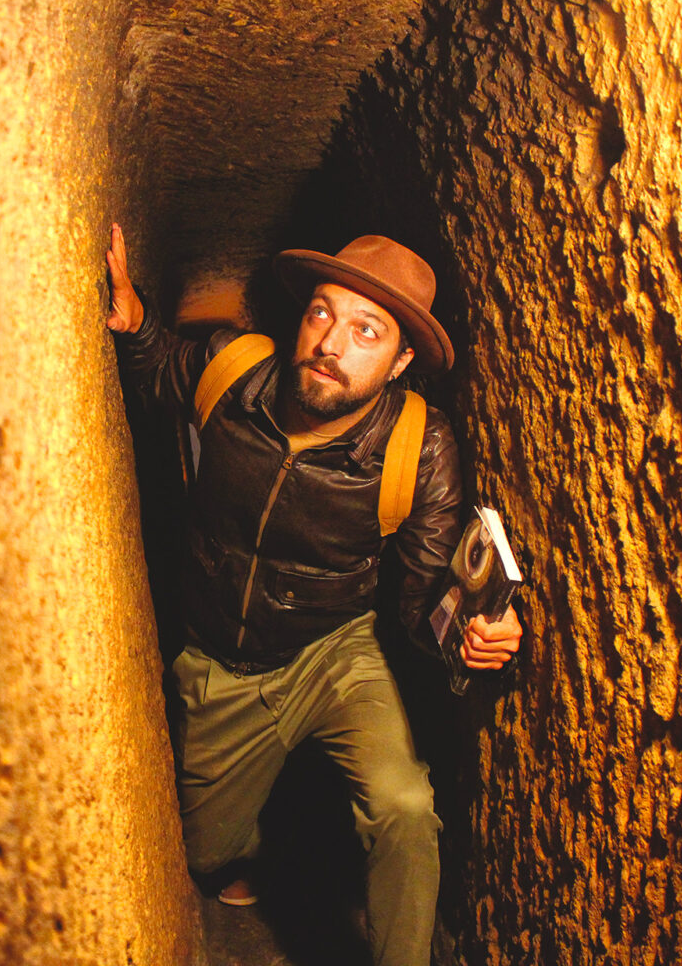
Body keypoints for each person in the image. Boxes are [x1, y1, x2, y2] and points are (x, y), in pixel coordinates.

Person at [105, 223, 523, 966]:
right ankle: (276, 830)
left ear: (399, 363)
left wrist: (475, 636)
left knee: (403, 807)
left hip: (334, 649)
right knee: (202, 855)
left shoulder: (418, 446)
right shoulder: (235, 369)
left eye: (368, 331)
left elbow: (423, 596)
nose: (332, 343)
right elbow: (163, 369)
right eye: (323, 313)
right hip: (221, 658)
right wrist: (135, 323)